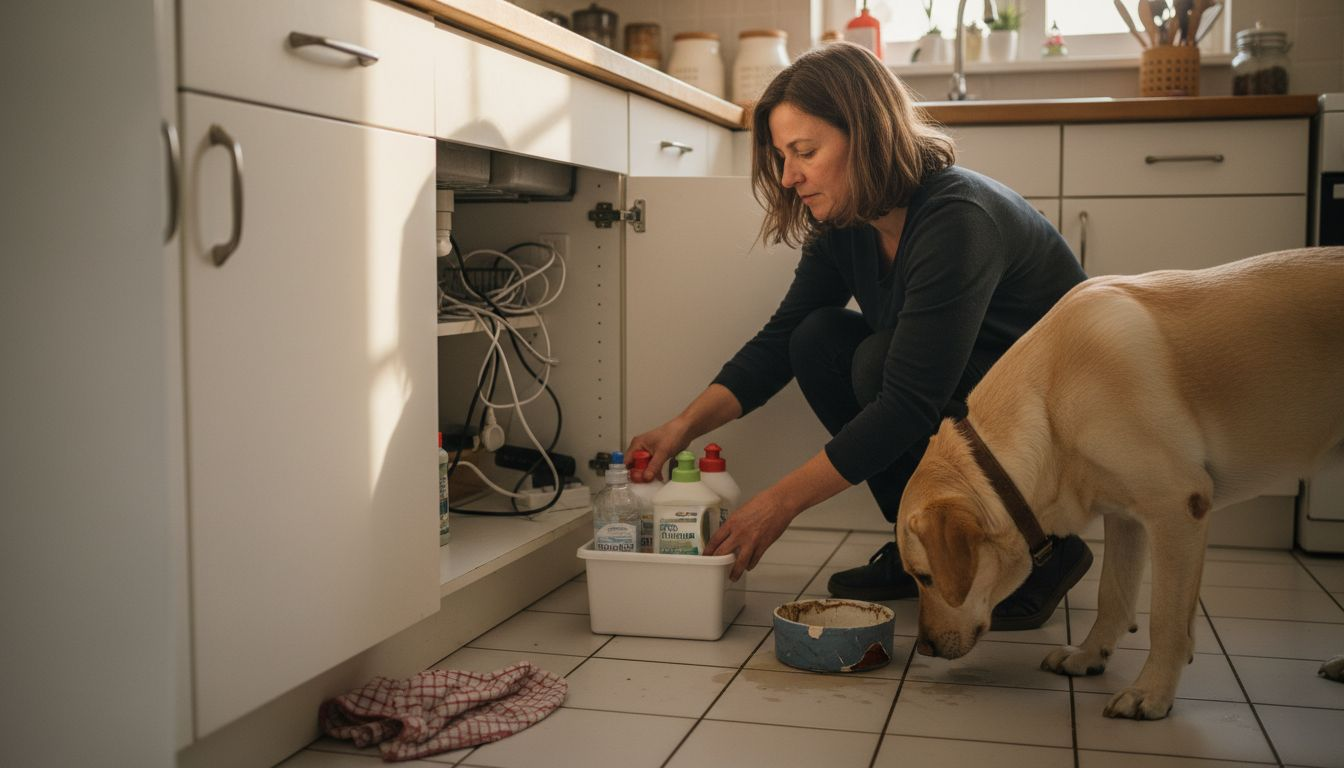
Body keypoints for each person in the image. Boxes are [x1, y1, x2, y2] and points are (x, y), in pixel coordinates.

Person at [625, 42, 1092, 631]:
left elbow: (909, 403)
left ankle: (1045, 550)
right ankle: (921, 548)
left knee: (877, 364)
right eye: (782, 156)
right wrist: (681, 427)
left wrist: (777, 504)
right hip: (987, 399)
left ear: (868, 137)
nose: (790, 176)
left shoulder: (957, 217)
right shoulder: (846, 220)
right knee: (817, 339)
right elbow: (782, 339)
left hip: (1063, 421)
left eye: (805, 152)